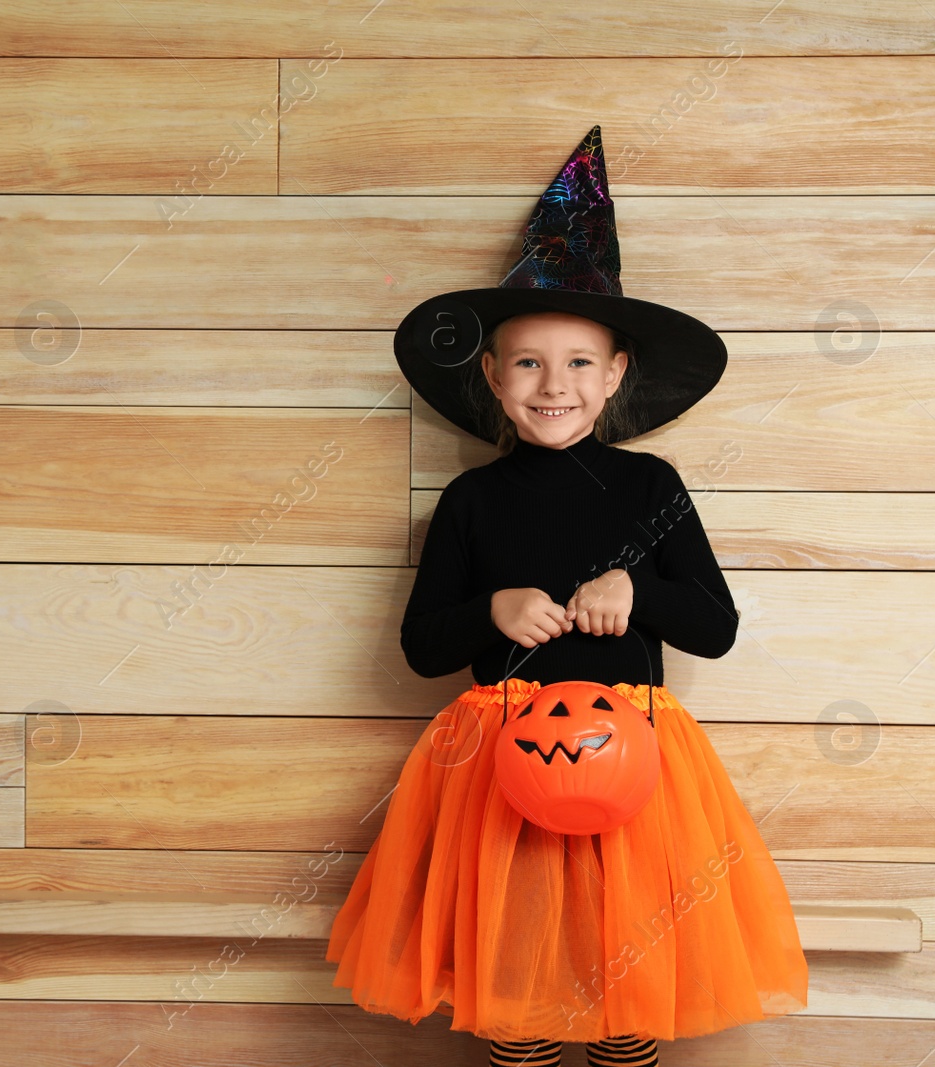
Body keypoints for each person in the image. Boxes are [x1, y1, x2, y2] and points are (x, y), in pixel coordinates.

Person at [323, 126, 808, 1066]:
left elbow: (716, 629)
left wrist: (641, 588)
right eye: (530, 363)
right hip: (500, 766)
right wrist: (491, 612)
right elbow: (424, 646)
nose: (556, 384)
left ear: (618, 373)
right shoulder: (471, 500)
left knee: (628, 989)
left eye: (580, 362)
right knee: (520, 990)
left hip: (638, 770)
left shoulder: (652, 488)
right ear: (494, 379)